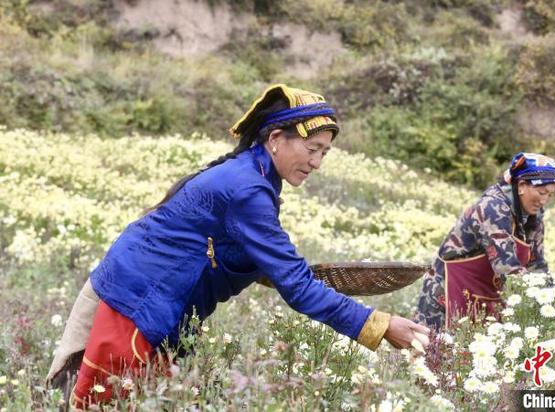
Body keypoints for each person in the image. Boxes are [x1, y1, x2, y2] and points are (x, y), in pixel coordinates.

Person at [46, 84, 430, 408]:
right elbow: (295, 286)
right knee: (112, 401)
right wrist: (378, 325)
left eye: (324, 152)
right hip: (138, 303)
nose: (316, 162)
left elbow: (240, 253)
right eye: (312, 148)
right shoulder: (248, 188)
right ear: (276, 140)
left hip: (145, 298)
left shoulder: (254, 175)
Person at [414, 152, 555, 330]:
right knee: (432, 350)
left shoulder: (533, 218)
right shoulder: (492, 208)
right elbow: (506, 269)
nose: (544, 200)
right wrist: (549, 303)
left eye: (550, 195)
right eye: (541, 192)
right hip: (448, 290)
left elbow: (537, 265)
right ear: (521, 186)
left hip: (483, 294)